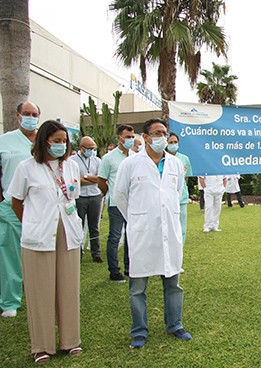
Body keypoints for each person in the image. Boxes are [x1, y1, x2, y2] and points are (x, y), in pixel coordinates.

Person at [9, 120, 83, 363]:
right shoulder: (26, 167)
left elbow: (72, 197)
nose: (61, 145)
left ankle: (70, 341)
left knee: (68, 288)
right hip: (39, 236)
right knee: (40, 291)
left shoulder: (70, 166)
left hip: (67, 232)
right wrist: (32, 222)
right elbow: (17, 202)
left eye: (64, 141)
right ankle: (41, 346)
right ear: (44, 141)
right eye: (56, 141)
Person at [114, 118, 191, 349]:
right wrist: (138, 219)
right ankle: (139, 331)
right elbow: (120, 196)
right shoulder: (131, 164)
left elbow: (175, 193)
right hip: (142, 233)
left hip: (169, 230)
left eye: (164, 133)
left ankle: (175, 325)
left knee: (173, 284)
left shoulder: (175, 164)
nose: (162, 137)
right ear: (146, 137)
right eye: (157, 133)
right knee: (137, 287)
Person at [0, 101, 40, 318]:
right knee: (10, 255)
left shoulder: (45, 141)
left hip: (41, 207)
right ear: (17, 116)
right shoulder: (5, 142)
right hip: (11, 206)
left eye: (34, 114)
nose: (30, 117)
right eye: (26, 113)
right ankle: (9, 301)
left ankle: (38, 294)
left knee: (39, 252)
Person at [98, 125, 135, 282]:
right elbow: (101, 180)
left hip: (133, 203)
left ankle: (129, 268)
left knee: (131, 236)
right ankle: (114, 271)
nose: (130, 140)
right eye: (127, 137)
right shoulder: (109, 158)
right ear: (119, 138)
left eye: (132, 137)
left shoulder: (135, 156)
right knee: (115, 237)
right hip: (115, 204)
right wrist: (110, 194)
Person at [70, 136, 103, 262]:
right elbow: (75, 181)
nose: (91, 150)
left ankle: (96, 253)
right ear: (81, 148)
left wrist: (84, 178)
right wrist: (90, 178)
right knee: (79, 225)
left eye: (93, 148)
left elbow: (99, 178)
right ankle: (78, 251)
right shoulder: (72, 161)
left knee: (94, 226)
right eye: (89, 148)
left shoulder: (97, 160)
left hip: (95, 196)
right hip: (80, 197)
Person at [166, 133, 193, 244]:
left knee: (181, 228)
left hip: (181, 199)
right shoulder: (162, 158)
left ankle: (179, 253)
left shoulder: (184, 159)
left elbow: (185, 179)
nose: (173, 144)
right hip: (166, 199)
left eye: (175, 142)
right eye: (170, 142)